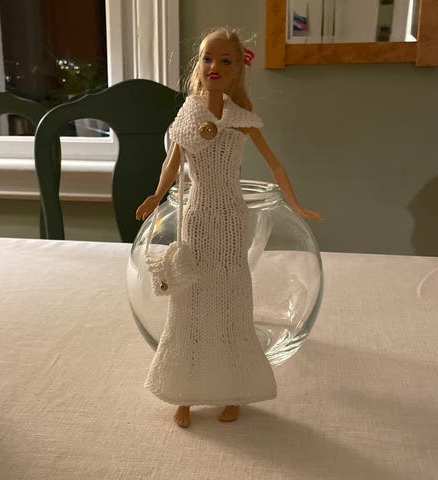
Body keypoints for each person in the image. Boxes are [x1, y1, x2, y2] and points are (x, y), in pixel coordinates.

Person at [136, 27, 322, 428]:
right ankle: (185, 394)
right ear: (198, 66)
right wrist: (155, 196)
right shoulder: (189, 114)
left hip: (231, 217)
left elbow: (275, 164)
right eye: (207, 58)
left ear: (238, 69)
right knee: (189, 301)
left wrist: (294, 202)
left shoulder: (241, 119)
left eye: (224, 60)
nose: (214, 67)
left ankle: (232, 391)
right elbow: (172, 162)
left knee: (232, 300)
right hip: (196, 215)